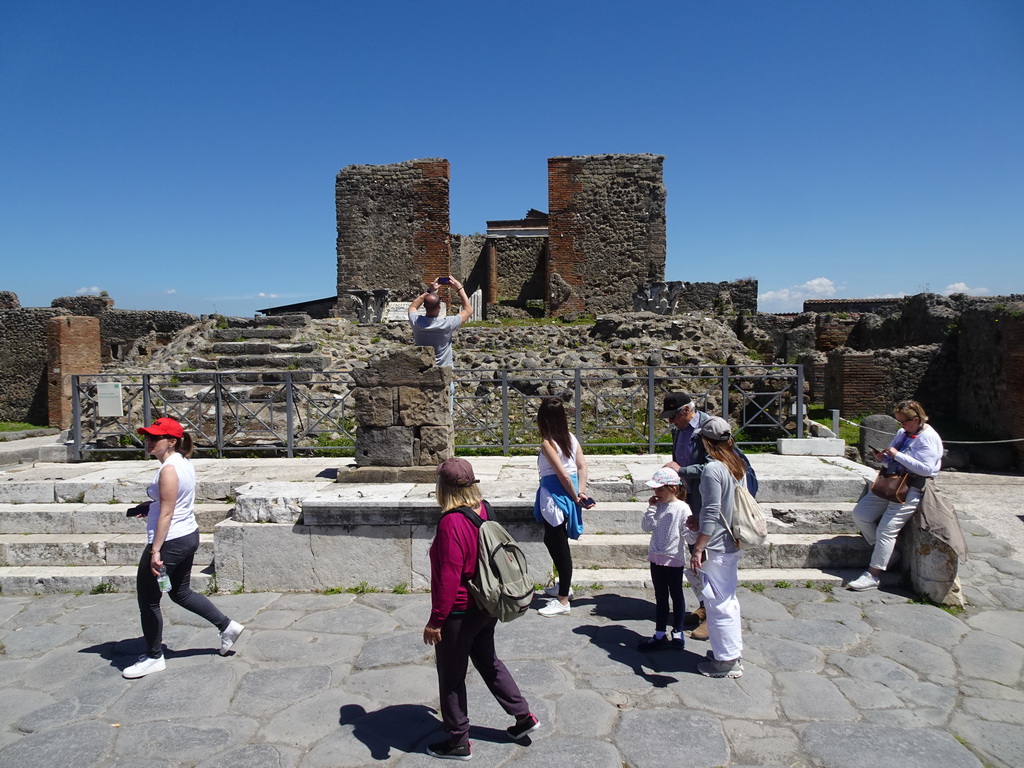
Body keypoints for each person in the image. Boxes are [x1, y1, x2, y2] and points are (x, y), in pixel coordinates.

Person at [423, 458, 539, 760]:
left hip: (460, 612)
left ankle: (458, 740)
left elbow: (449, 578)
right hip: (487, 606)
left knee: (451, 676)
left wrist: (436, 621)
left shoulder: (451, 522)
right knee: (489, 662)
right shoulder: (483, 509)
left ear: (443, 488)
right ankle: (524, 716)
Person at [122, 417, 244, 679]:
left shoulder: (168, 469)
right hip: (187, 534)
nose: (149, 441)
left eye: (156, 438)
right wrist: (149, 507)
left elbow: (167, 512)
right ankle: (227, 626)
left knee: (148, 601)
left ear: (172, 441)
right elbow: (172, 501)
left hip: (170, 541)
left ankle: (154, 657)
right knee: (180, 592)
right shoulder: (182, 463)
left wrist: (156, 552)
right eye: (148, 437)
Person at [847, 400, 943, 591]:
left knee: (886, 530)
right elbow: (893, 458)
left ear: (916, 419)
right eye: (898, 422)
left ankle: (873, 575)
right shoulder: (903, 433)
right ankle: (886, 554)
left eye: (904, 422)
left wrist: (897, 455)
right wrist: (884, 458)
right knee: (860, 514)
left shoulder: (928, 438)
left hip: (910, 488)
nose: (901, 426)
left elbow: (926, 469)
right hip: (891, 483)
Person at [688, 416, 746, 679]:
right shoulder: (735, 463)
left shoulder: (713, 469)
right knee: (727, 599)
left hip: (717, 545)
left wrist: (699, 547)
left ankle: (727, 662)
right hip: (731, 541)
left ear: (705, 441)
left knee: (718, 603)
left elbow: (712, 511)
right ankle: (729, 653)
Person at [533, 397, 592, 617]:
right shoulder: (570, 438)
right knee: (551, 539)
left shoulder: (548, 443)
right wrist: (581, 492)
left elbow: (563, 474)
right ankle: (562, 586)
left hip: (555, 496)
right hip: (569, 493)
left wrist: (576, 495)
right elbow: (582, 466)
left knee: (559, 545)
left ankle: (563, 599)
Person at [638, 468, 691, 651]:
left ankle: (678, 630)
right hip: (656, 556)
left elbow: (687, 532)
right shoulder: (657, 506)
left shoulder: (682, 507)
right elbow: (646, 527)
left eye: (660, 490)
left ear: (673, 489)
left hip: (673, 557)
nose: (656, 493)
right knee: (660, 596)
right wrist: (651, 507)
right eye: (655, 490)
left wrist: (694, 533)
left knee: (676, 594)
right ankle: (659, 632)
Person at [408, 276, 474, 369]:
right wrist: (459, 288)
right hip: (443, 371)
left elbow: (412, 307)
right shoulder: (447, 324)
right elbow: (468, 310)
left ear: (424, 306)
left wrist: (428, 292)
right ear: (439, 307)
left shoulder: (417, 322)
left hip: (423, 371)